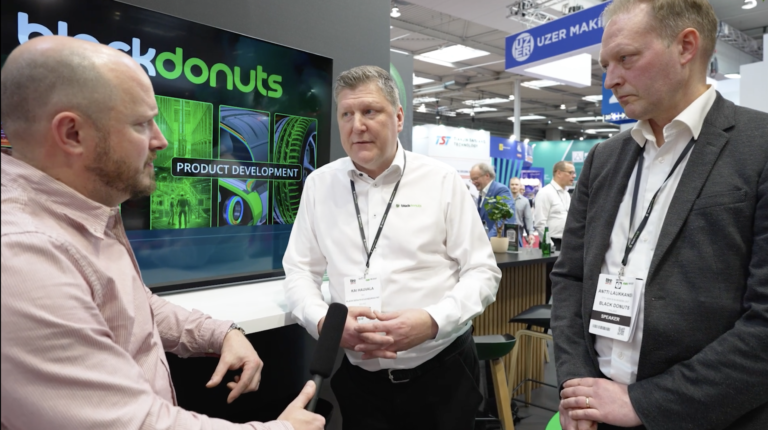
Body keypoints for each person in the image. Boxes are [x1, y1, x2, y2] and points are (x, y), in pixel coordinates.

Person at [0, 36, 324, 430]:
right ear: (72, 134)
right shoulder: (22, 256)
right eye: (141, 124)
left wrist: (219, 333)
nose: (161, 141)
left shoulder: (84, 213)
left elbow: (131, 305)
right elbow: (133, 424)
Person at [551, 1, 768, 429]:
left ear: (686, 46)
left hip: (711, 416)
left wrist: (645, 403)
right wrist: (578, 384)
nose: (610, 79)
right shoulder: (603, 159)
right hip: (598, 413)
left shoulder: (758, 147)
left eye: (626, 58)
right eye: (605, 64)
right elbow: (570, 278)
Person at [282, 65, 501, 429]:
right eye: (346, 114)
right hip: (359, 383)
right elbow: (299, 271)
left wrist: (432, 322)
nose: (357, 125)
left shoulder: (441, 181)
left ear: (398, 117)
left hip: (441, 375)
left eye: (370, 111)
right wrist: (323, 322)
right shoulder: (320, 185)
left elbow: (482, 272)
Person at [533, 161, 574, 251]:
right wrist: (550, 245)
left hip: (566, 243)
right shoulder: (545, 193)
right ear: (558, 173)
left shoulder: (566, 194)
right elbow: (540, 223)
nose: (574, 175)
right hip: (551, 244)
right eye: (570, 172)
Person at [470, 162, 514, 238]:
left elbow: (504, 219)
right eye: (472, 180)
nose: (473, 183)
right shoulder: (482, 193)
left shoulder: (501, 190)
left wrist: (488, 240)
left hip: (499, 244)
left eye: (476, 179)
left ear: (487, 175)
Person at [509, 177, 535, 245]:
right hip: (505, 231)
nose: (514, 186)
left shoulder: (525, 201)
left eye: (516, 184)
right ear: (509, 185)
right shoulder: (504, 199)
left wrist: (530, 233)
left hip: (518, 232)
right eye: (512, 184)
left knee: (518, 253)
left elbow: (528, 218)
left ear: (519, 186)